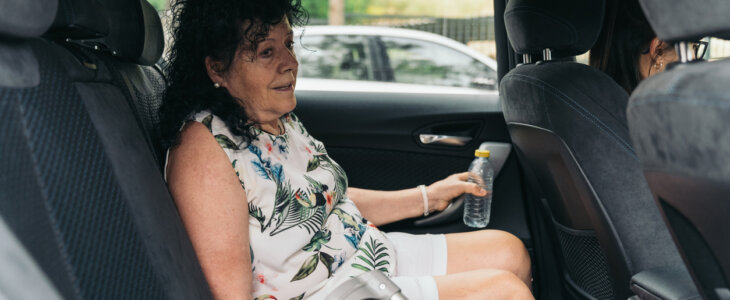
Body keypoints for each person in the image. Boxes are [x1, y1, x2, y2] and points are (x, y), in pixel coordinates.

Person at [159, 0, 533, 299]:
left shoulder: (275, 120)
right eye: (266, 52)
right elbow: (227, 293)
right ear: (216, 69)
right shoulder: (204, 148)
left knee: (509, 250)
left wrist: (427, 197)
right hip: (327, 291)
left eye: (288, 44)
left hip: (363, 255)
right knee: (505, 292)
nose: (290, 63)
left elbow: (324, 201)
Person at [589, 0, 706, 94]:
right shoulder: (653, 119)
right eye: (694, 47)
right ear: (658, 52)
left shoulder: (580, 97)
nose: (695, 57)